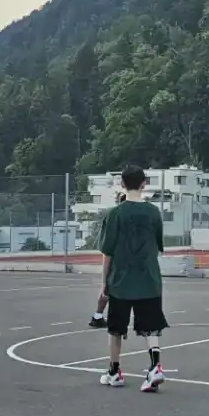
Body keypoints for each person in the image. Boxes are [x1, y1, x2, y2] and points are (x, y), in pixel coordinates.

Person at [98, 165, 168, 392]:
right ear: (144, 184)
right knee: (151, 328)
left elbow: (107, 252)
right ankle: (155, 366)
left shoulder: (115, 214)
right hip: (149, 278)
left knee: (116, 328)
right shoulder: (154, 213)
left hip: (121, 280)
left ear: (122, 184)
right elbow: (158, 245)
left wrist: (105, 282)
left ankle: (114, 370)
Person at [88, 192, 127, 329]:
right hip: (119, 262)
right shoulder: (116, 219)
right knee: (111, 289)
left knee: (109, 289)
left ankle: (98, 316)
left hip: (118, 261)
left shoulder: (115, 218)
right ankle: (104, 317)